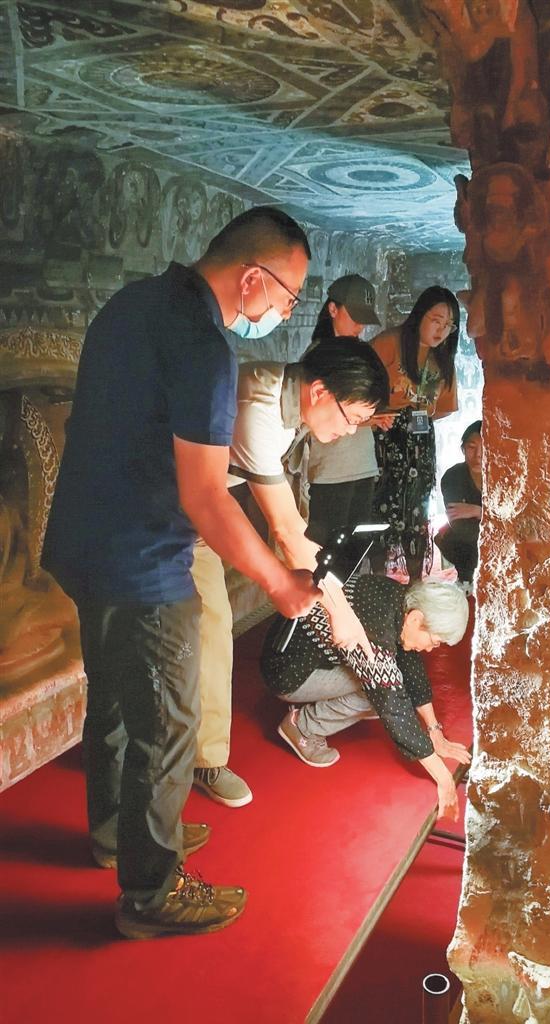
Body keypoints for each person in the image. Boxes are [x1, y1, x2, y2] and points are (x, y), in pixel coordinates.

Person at [41, 206, 321, 940]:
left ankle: (119, 835)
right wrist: (279, 582)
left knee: (112, 700)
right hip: (143, 562)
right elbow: (205, 497)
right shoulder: (204, 345)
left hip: (83, 542)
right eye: (288, 296)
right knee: (168, 725)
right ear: (252, 278)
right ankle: (151, 892)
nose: (283, 312)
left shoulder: (130, 303)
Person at [192, 337, 390, 806]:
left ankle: (202, 757)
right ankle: (183, 762)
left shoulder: (289, 396)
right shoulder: (258, 410)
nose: (350, 432)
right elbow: (285, 530)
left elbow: (291, 527)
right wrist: (341, 616)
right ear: (320, 391)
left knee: (212, 629)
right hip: (160, 513)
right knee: (205, 632)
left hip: (201, 514)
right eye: (351, 418)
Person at [261, 577, 471, 819]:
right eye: (434, 642)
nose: (430, 649)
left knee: (391, 678)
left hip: (299, 652)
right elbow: (392, 705)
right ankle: (302, 726)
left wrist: (434, 731)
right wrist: (444, 778)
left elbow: (410, 663)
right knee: (377, 694)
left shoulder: (400, 598)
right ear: (416, 619)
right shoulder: (376, 629)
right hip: (288, 672)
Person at [371, 287, 460, 581]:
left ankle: (416, 582)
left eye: (449, 325)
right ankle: (379, 579)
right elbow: (359, 384)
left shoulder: (442, 359)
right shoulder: (389, 343)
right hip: (386, 437)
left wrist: (417, 418)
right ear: (419, 315)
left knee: (417, 511)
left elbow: (444, 408)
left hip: (420, 441)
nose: (441, 331)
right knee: (383, 506)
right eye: (436, 320)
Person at [304, 275, 394, 547]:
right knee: (326, 547)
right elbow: (313, 417)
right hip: (331, 469)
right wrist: (366, 419)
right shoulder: (319, 356)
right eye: (355, 317)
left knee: (355, 548)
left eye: (364, 319)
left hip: (361, 464)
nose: (360, 326)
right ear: (333, 309)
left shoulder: (360, 355)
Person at [435, 420, 483, 585]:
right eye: (471, 447)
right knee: (458, 536)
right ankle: (466, 579)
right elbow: (459, 523)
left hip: (496, 536)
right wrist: (491, 516)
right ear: (463, 449)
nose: (478, 455)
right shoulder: (453, 477)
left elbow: (512, 519)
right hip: (467, 538)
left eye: (485, 447)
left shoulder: (504, 474)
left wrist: (477, 511)